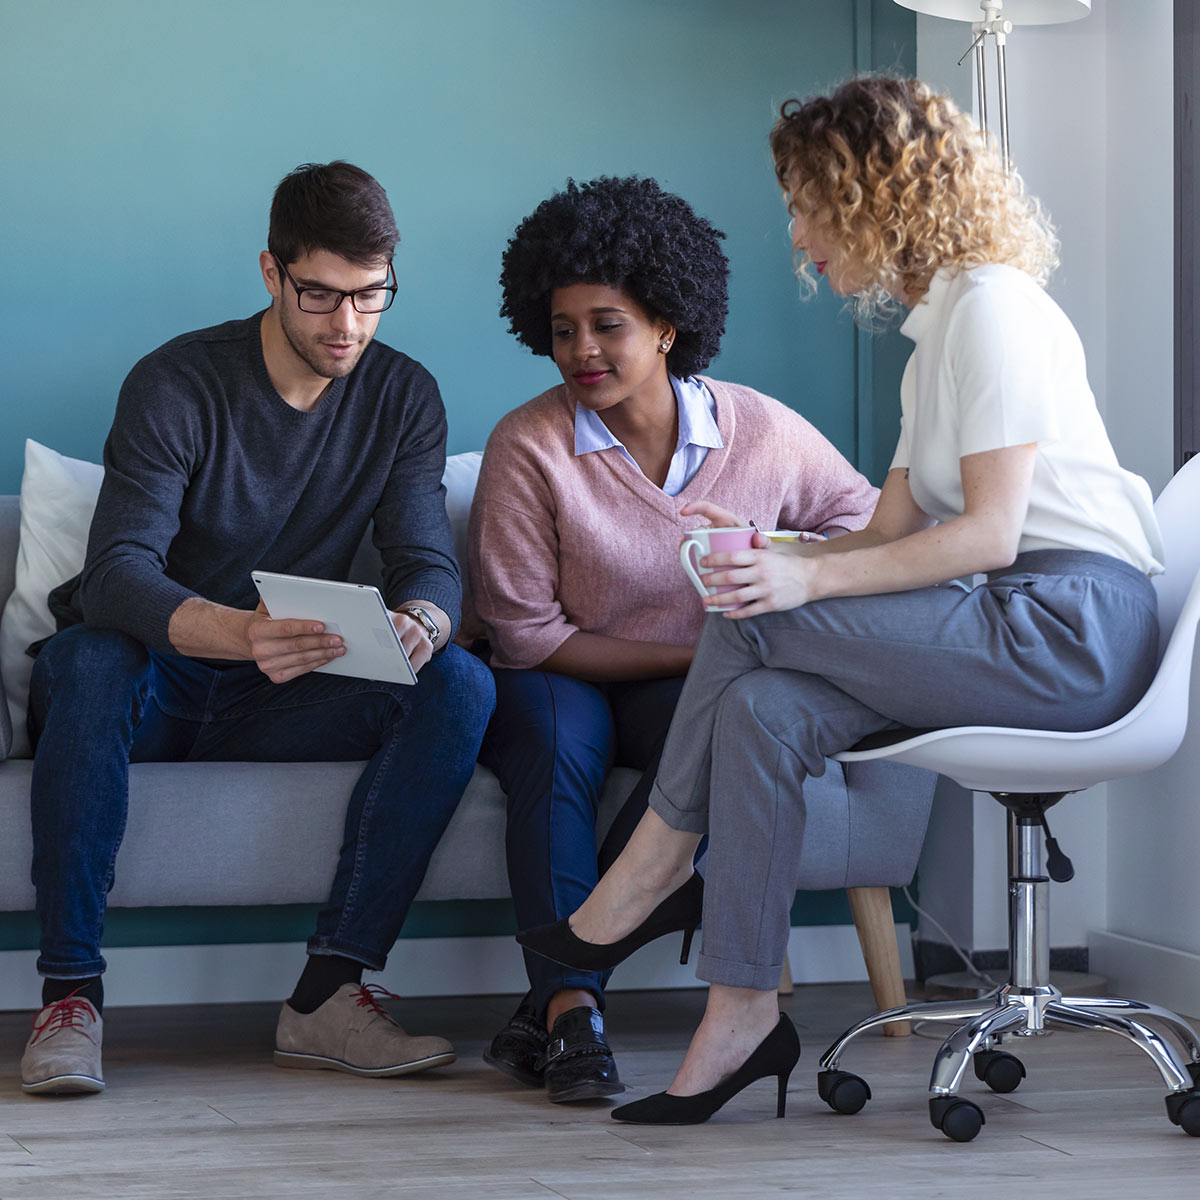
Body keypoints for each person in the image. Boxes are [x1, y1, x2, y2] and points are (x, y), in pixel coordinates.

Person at [518, 77, 1165, 1124]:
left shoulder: (995, 310)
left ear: (875, 192)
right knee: (765, 711)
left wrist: (797, 581)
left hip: (1069, 631)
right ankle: (740, 1011)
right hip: (1007, 619)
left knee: (752, 613)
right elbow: (888, 537)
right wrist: (769, 549)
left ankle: (647, 870)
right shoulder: (936, 336)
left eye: (809, 204)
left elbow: (991, 534)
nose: (800, 236)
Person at [19, 161, 495, 1096]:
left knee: (461, 683)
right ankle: (69, 999)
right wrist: (241, 633)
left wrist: (423, 620)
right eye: (322, 295)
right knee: (87, 659)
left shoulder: (404, 396)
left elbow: (428, 561)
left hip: (283, 696)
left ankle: (328, 994)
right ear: (272, 273)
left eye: (371, 296)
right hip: (151, 682)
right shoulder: (177, 382)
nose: (348, 325)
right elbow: (116, 574)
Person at [470, 176, 879, 1103]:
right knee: (552, 742)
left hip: (689, 683)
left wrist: (777, 552)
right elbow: (527, 634)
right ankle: (574, 1009)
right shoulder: (527, 446)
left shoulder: (764, 432)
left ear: (665, 325)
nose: (581, 349)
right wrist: (705, 655)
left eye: (607, 324)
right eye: (563, 327)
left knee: (728, 723)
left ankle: (556, 1008)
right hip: (565, 672)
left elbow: (869, 530)